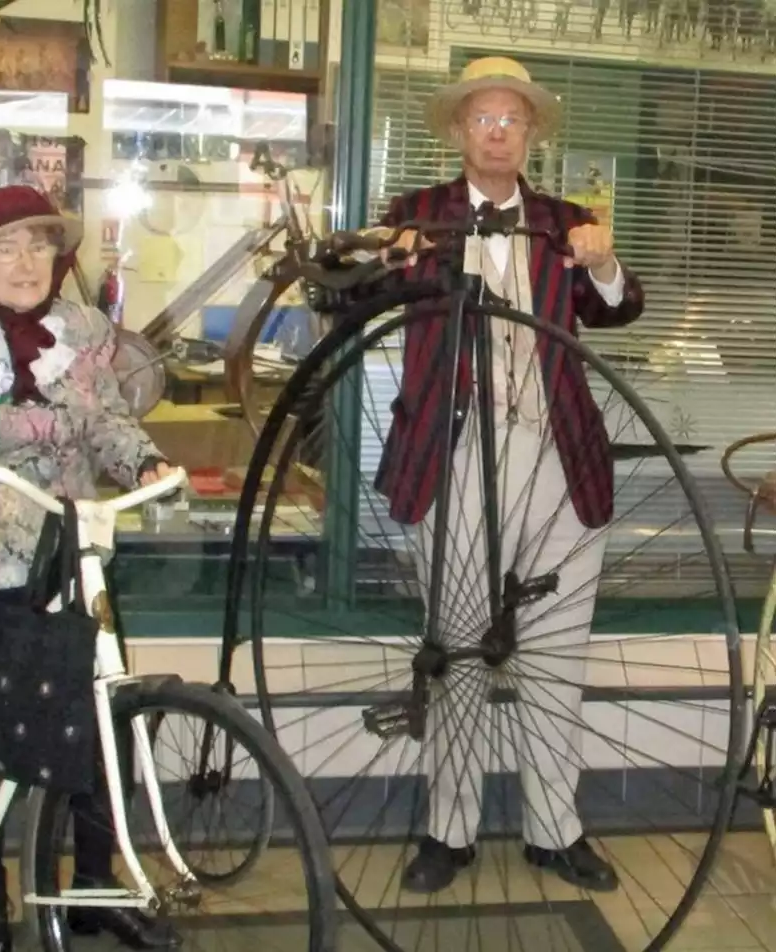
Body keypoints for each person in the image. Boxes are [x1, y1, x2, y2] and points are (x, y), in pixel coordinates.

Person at [367, 57, 644, 894]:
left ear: (530, 134)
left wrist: (601, 260)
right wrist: (393, 257)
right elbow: (359, 302)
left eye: (511, 119)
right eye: (482, 117)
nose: (497, 130)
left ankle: (556, 830)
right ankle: (447, 832)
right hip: (452, 452)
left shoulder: (569, 221)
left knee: (558, 651)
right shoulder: (413, 214)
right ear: (458, 131)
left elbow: (618, 308)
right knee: (451, 648)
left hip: (559, 455)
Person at [0, 185, 179, 952]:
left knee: (94, 727)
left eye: (40, 245)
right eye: (5, 249)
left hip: (71, 553)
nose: (25, 263)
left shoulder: (83, 330)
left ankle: (92, 888)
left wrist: (145, 462)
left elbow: (109, 418)